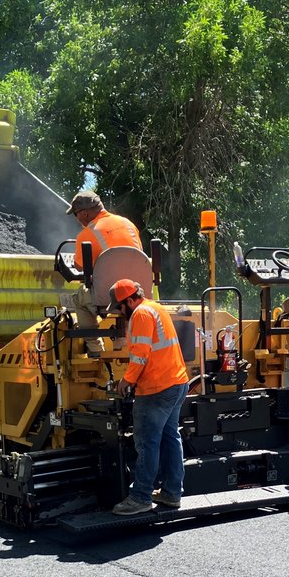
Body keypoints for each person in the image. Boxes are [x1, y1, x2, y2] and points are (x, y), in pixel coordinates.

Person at [108, 279, 189, 515]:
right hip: (176, 383)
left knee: (147, 442)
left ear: (129, 301)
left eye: (120, 307)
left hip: (157, 388)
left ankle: (140, 497)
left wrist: (126, 382)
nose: (119, 312)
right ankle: (172, 493)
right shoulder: (156, 308)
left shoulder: (140, 314)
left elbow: (140, 355)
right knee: (170, 438)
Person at [67, 189, 143, 356]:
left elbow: (78, 266)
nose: (77, 219)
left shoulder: (86, 234)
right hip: (135, 293)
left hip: (109, 297)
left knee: (79, 299)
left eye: (76, 214)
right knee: (122, 307)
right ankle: (122, 347)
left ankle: (95, 349)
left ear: (84, 213)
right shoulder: (129, 225)